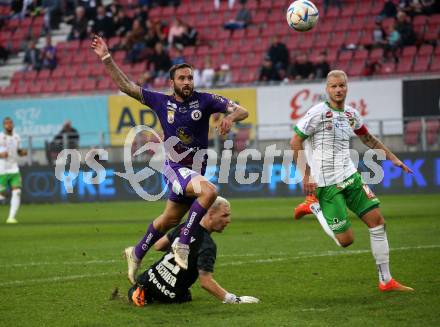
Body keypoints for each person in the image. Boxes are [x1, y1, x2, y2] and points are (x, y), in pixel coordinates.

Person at [91, 35, 248, 281]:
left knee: (168, 220)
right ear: (172, 81)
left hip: (195, 170)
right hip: (175, 167)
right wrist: (106, 58)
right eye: (182, 78)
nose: (187, 82)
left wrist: (230, 118)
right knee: (209, 192)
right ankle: (182, 243)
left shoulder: (205, 100)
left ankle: (136, 252)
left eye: (190, 78)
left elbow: (242, 110)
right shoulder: (161, 101)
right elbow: (126, 86)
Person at [290, 70, 414, 292]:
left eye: (342, 86)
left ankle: (386, 281)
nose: (338, 90)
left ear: (347, 87)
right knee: (346, 241)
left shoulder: (351, 114)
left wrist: (393, 158)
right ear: (327, 89)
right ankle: (315, 206)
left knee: (377, 222)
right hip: (326, 184)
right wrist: (306, 175)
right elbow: (295, 141)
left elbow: (367, 138)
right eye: (333, 86)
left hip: (350, 176)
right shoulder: (317, 113)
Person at [128, 196, 260, 305]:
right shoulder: (207, 245)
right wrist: (234, 299)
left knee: (182, 292)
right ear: (210, 214)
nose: (228, 220)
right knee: (184, 295)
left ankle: (138, 292)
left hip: (148, 279)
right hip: (169, 295)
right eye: (224, 215)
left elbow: (158, 246)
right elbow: (206, 282)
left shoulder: (185, 227)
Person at [0, 117, 27, 224]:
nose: (9, 125)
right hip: (2, 170)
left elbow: (18, 151)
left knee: (17, 192)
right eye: (7, 123)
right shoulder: (1, 137)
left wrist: (22, 153)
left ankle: (11, 218)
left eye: (10, 123)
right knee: (1, 195)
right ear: (4, 125)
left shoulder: (17, 137)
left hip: (14, 169)